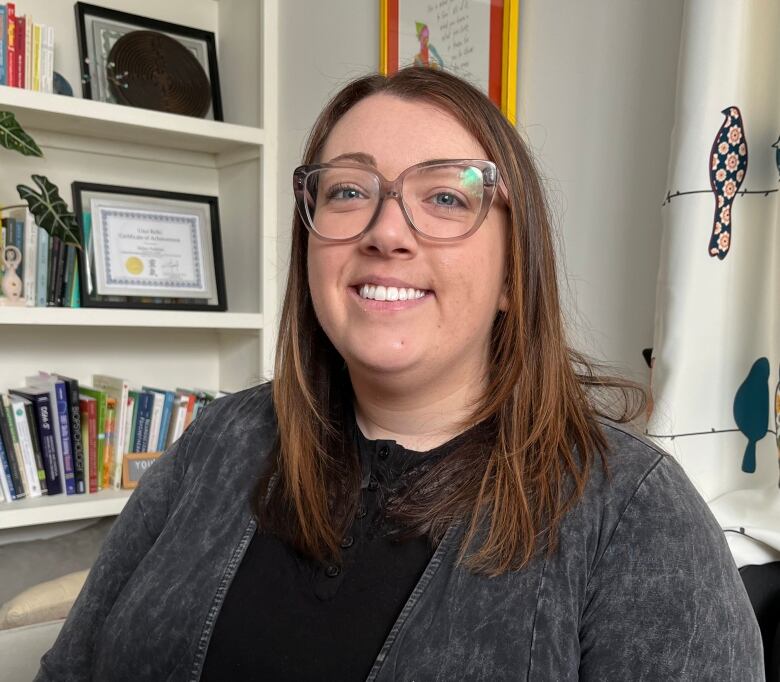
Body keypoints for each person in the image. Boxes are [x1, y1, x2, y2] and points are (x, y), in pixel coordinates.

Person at [36, 67, 763, 681]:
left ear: (515, 272)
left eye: (446, 197)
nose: (386, 232)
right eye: (348, 192)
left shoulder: (635, 511)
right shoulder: (219, 439)